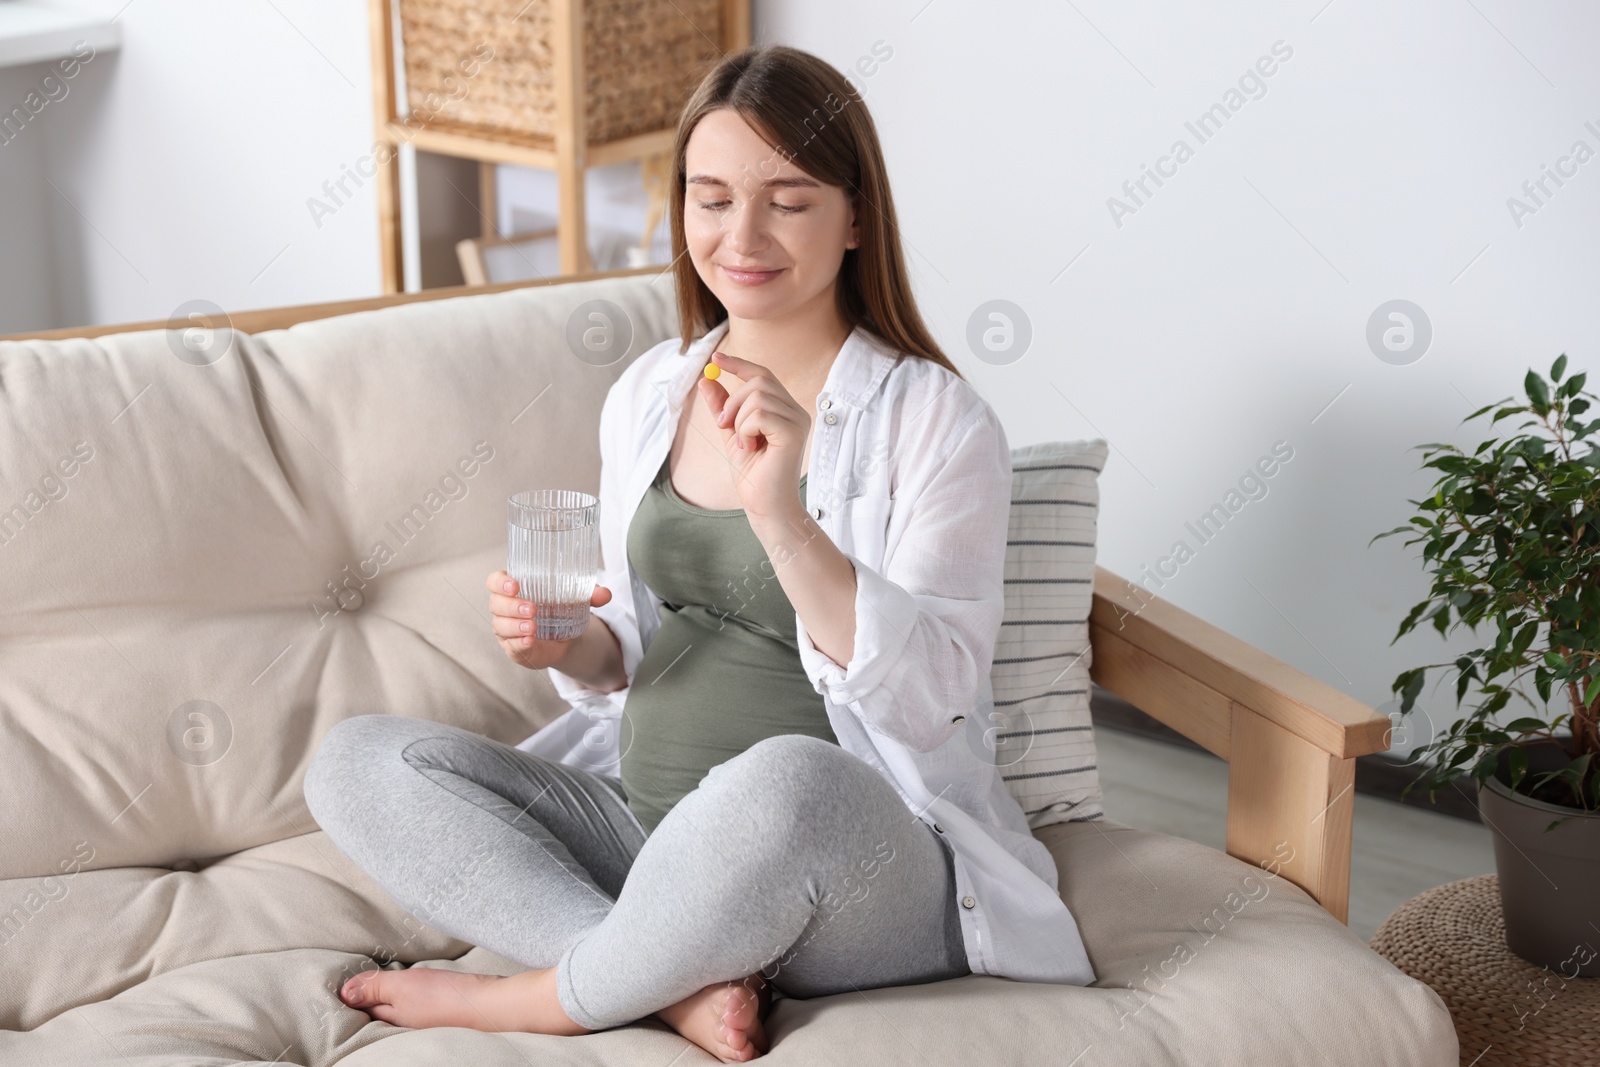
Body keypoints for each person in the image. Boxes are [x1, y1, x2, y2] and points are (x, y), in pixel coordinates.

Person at [302, 43, 1093, 1064]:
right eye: (711, 199)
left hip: (851, 857)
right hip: (650, 838)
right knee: (360, 762)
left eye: (788, 200)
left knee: (786, 778)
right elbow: (627, 653)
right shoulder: (652, 391)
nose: (741, 235)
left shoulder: (938, 423)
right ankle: (661, 981)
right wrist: (570, 645)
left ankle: (543, 996)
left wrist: (782, 512)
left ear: (856, 217)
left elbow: (932, 698)